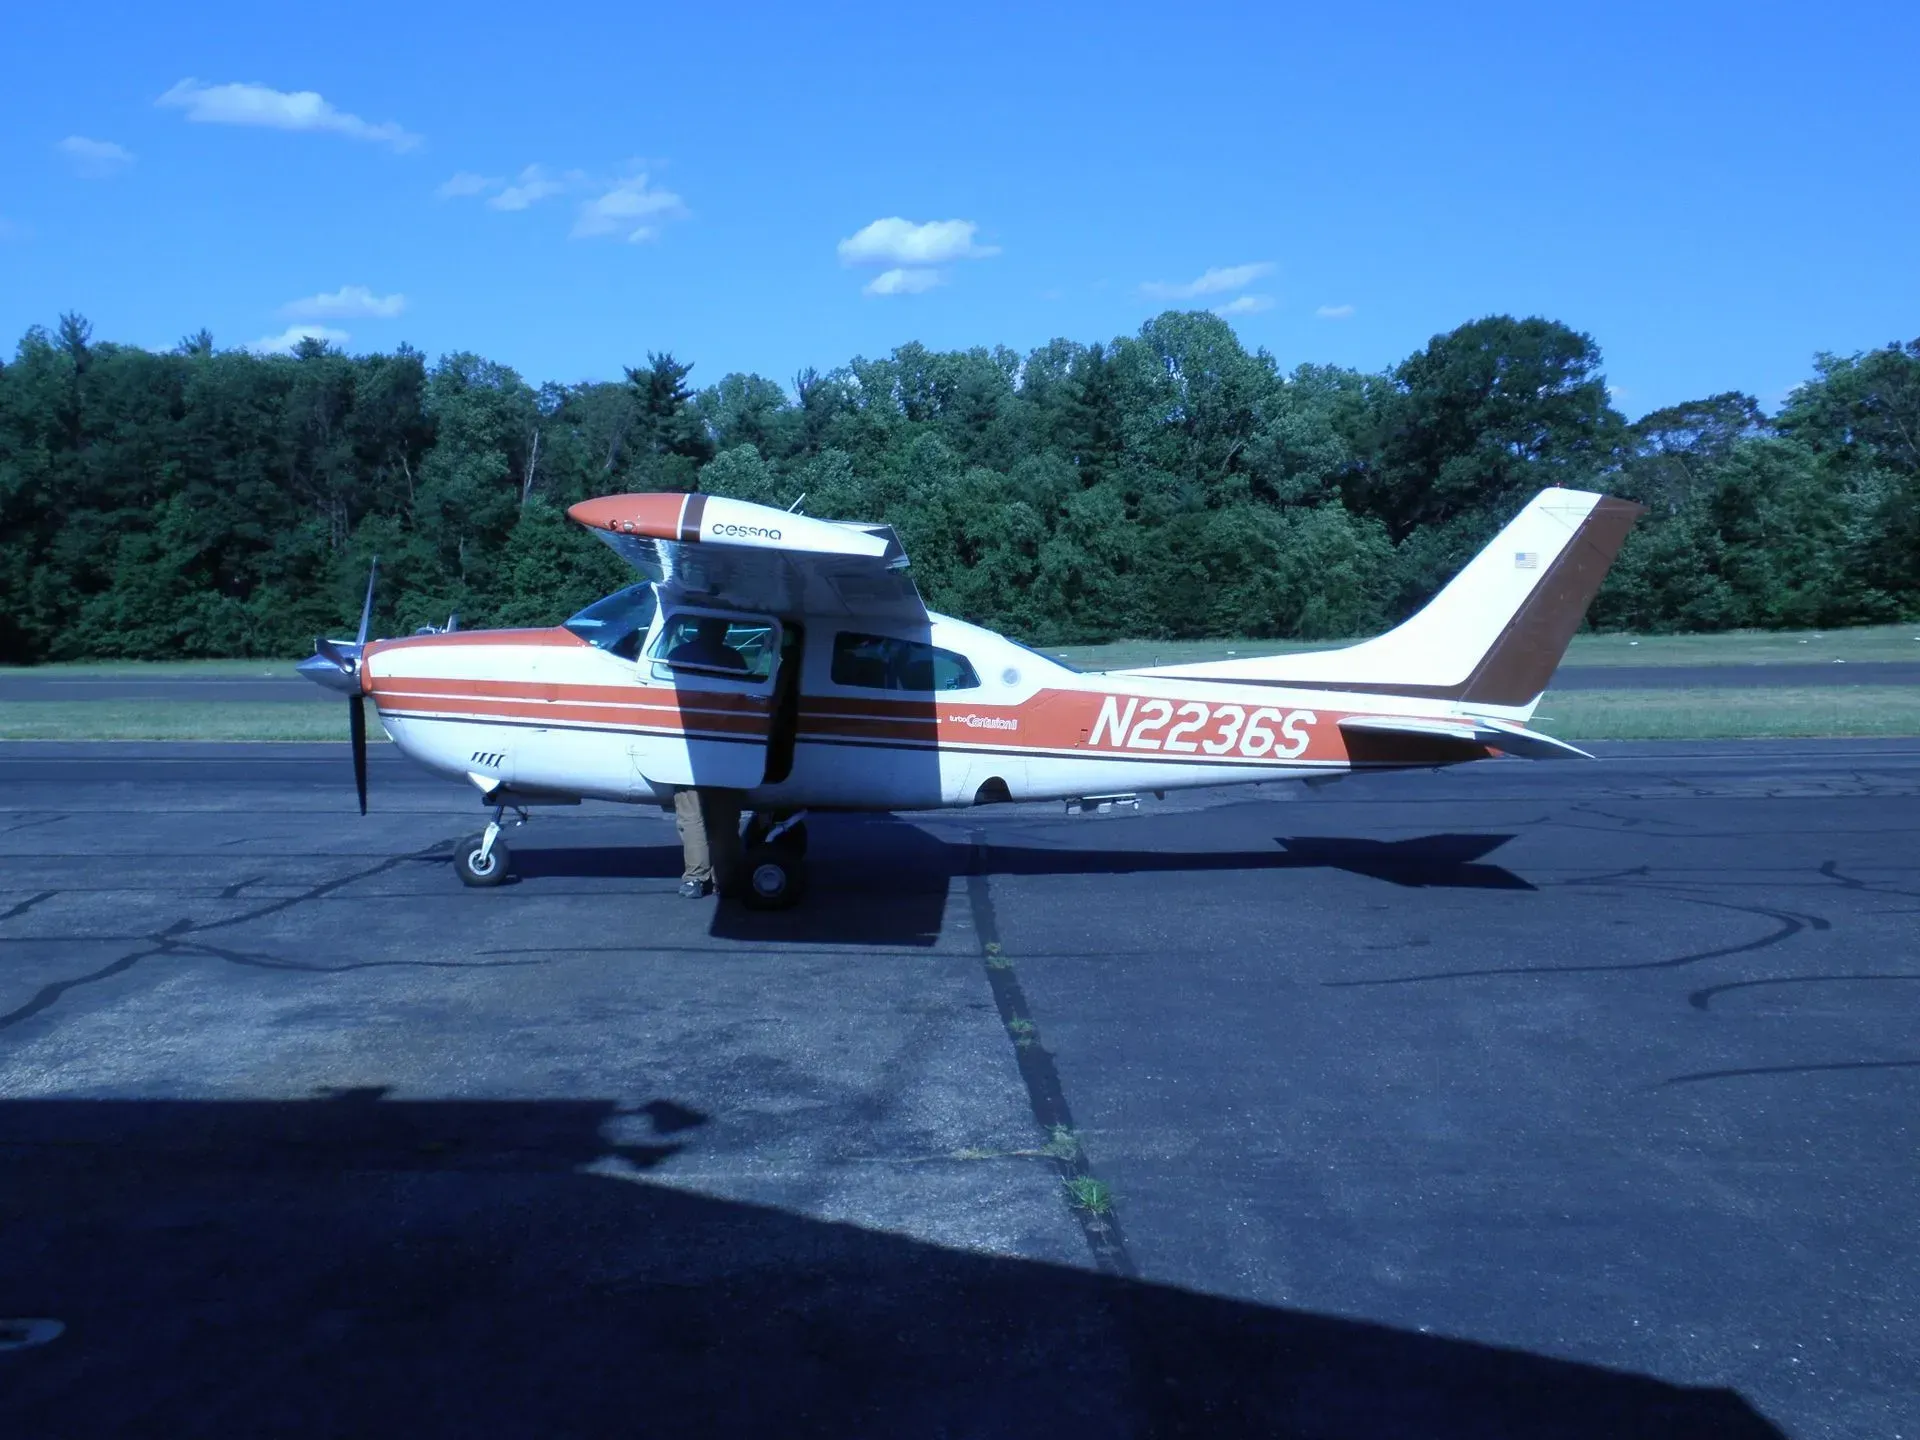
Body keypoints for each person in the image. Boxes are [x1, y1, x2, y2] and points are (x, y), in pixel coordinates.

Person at [665, 617, 747, 897]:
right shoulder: (735, 659)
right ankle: (726, 877)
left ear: (700, 629)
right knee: (725, 820)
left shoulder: (679, 655)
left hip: (690, 751)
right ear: (723, 630)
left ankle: (696, 879)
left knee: (691, 817)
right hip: (727, 750)